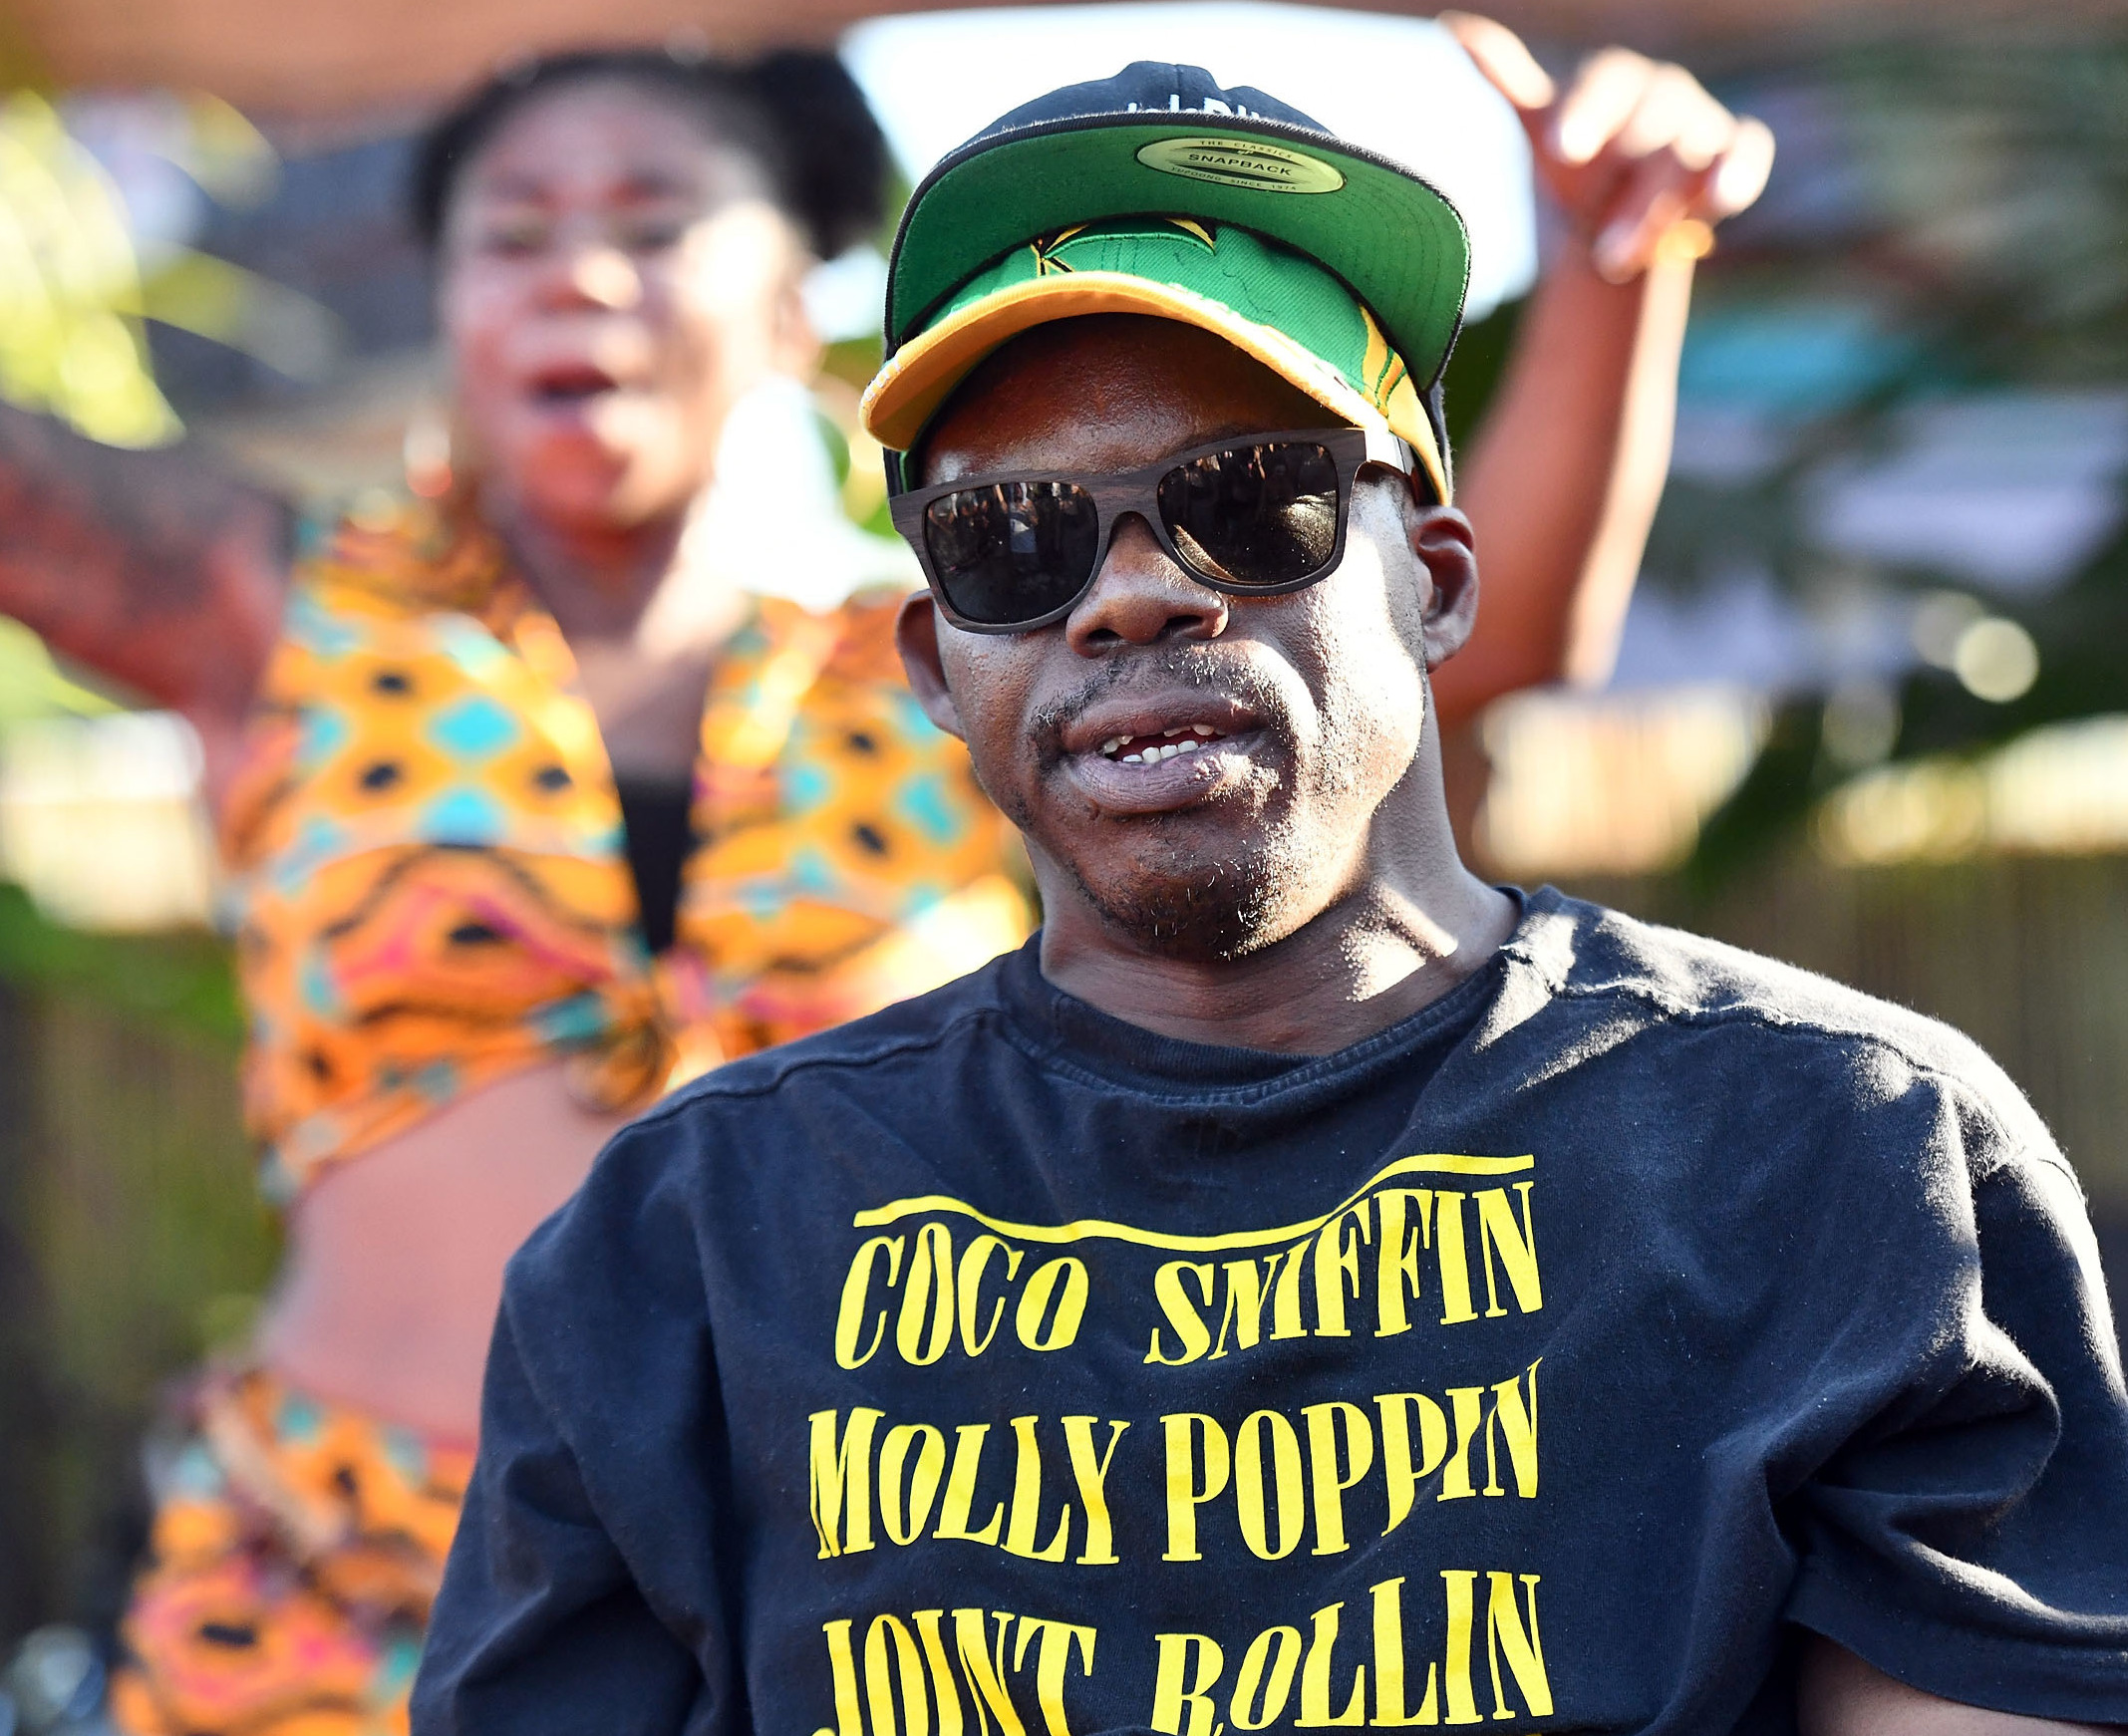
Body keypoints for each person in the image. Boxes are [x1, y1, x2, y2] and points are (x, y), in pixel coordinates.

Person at [413, 61, 2128, 1736]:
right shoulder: (684, 1247)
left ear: (1436, 577)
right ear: (934, 659)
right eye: (1012, 535)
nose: (1129, 594)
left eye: (1249, 496)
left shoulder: (1833, 1152)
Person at [0, 32, 1759, 1736]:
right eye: (512, 235)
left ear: (792, 309)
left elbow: (1469, 637)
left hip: (869, 1616)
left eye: (651, 222)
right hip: (318, 1612)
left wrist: (1616, 266)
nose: (579, 274)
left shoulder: (970, 649)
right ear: (448, 302)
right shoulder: (280, 613)